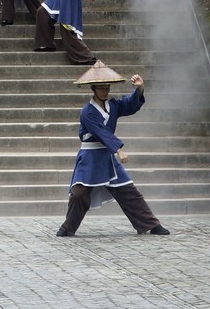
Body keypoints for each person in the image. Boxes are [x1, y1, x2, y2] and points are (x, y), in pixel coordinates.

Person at [56, 62, 170, 237]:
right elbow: (101, 132)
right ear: (93, 89)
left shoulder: (113, 106)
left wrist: (140, 89)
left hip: (107, 155)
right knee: (79, 194)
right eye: (101, 88)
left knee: (128, 191)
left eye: (107, 87)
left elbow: (129, 104)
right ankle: (67, 228)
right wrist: (119, 149)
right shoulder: (87, 112)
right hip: (90, 157)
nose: (105, 91)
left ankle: (151, 224)